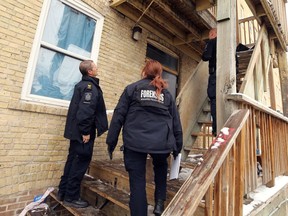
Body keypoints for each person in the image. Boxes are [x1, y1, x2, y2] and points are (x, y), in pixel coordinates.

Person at [106, 60, 183, 216]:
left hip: (135, 143)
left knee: (137, 182)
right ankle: (159, 204)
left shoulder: (132, 89)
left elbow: (118, 116)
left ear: (144, 72)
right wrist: (177, 147)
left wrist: (111, 142)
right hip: (161, 143)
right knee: (161, 170)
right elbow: (176, 122)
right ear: (159, 74)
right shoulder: (167, 94)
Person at [57, 60, 108, 208]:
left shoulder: (82, 85)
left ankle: (63, 192)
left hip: (76, 132)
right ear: (90, 72)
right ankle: (71, 197)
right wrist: (86, 132)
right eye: (95, 67)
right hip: (82, 134)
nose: (97, 68)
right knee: (79, 164)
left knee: (72, 160)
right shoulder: (89, 87)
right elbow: (85, 112)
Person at [202, 28, 217, 136]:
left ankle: (216, 128)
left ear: (213, 34)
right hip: (226, 76)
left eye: (210, 34)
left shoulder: (212, 42)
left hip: (215, 75)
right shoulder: (227, 45)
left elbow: (206, 56)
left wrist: (208, 46)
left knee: (214, 100)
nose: (209, 36)